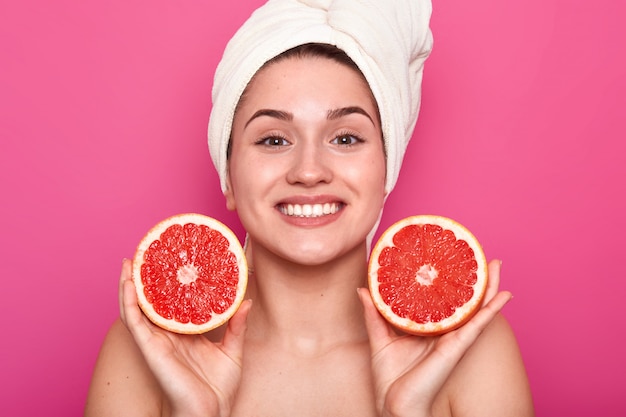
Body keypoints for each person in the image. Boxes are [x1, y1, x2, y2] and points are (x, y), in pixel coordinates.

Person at [85, 1, 534, 416]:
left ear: (386, 169)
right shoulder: (148, 349)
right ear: (229, 176)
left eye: (346, 138)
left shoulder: (468, 350)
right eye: (274, 139)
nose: (309, 170)